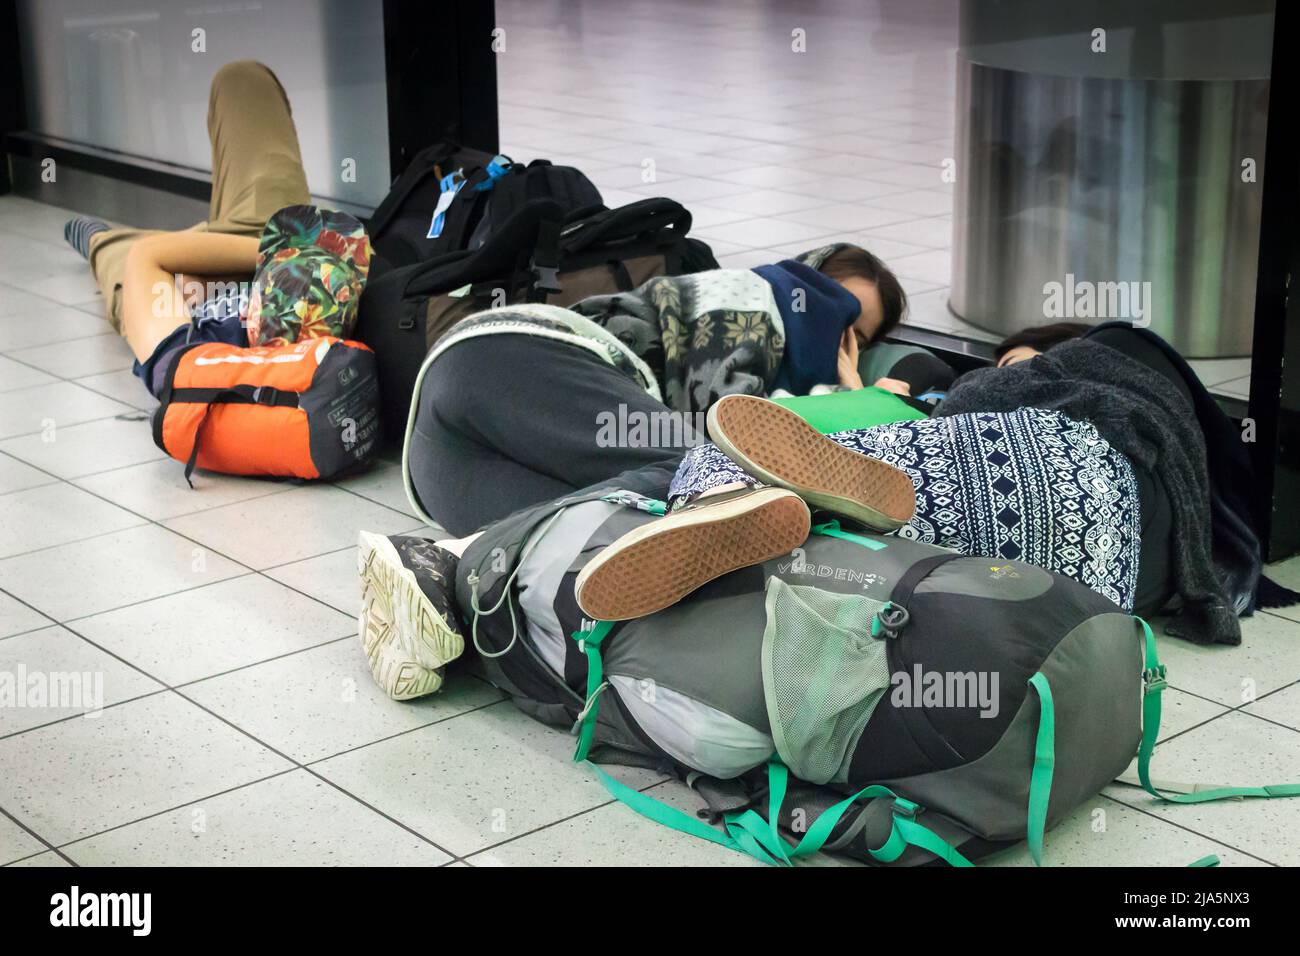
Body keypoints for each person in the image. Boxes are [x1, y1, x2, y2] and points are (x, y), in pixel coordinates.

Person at [406, 244, 950, 536]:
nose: (843, 340)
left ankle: (429, 576)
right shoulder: (754, 302)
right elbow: (719, 435)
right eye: (843, 316)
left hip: (441, 461)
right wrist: (846, 399)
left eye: (860, 337)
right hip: (511, 356)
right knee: (715, 478)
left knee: (589, 533)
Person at [64, 60, 312, 394]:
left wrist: (288, 255)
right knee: (242, 78)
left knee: (124, 261)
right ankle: (113, 241)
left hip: (268, 254)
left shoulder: (182, 364)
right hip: (280, 248)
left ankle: (101, 239)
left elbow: (148, 257)